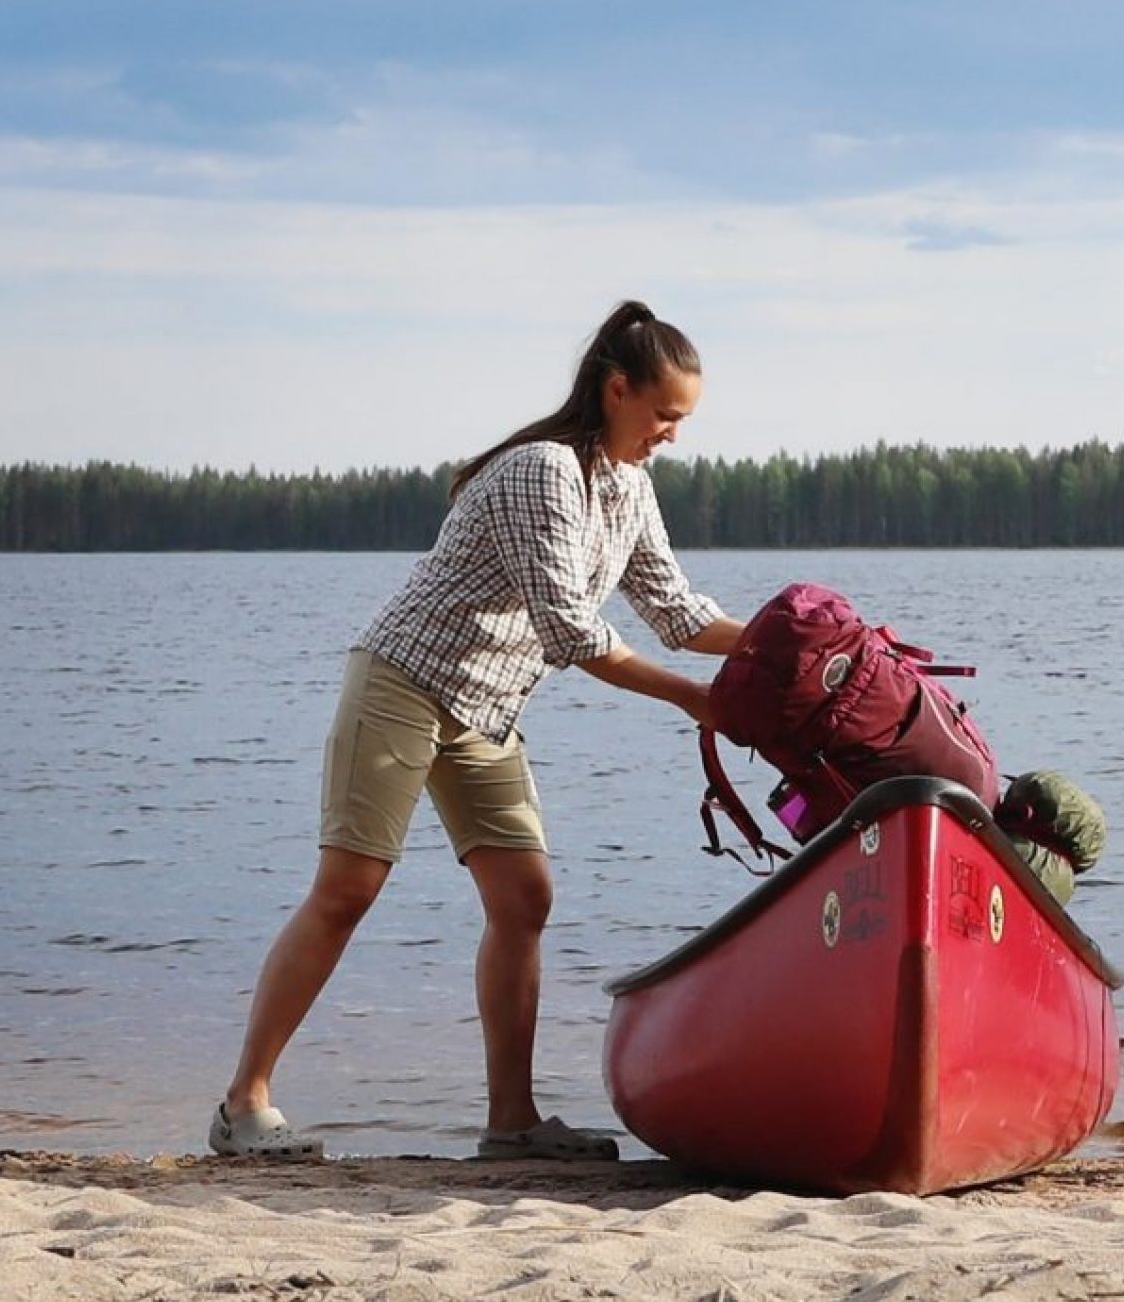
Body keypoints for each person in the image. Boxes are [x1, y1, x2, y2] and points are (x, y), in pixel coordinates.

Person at [210, 301, 744, 1160]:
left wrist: (802, 640)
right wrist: (693, 700)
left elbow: (675, 611)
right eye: (665, 416)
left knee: (524, 898)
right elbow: (573, 631)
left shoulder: (629, 487)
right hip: (403, 681)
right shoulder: (543, 471)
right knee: (349, 889)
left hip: (487, 711)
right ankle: (244, 1106)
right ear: (617, 392)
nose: (673, 436)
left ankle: (512, 1124)